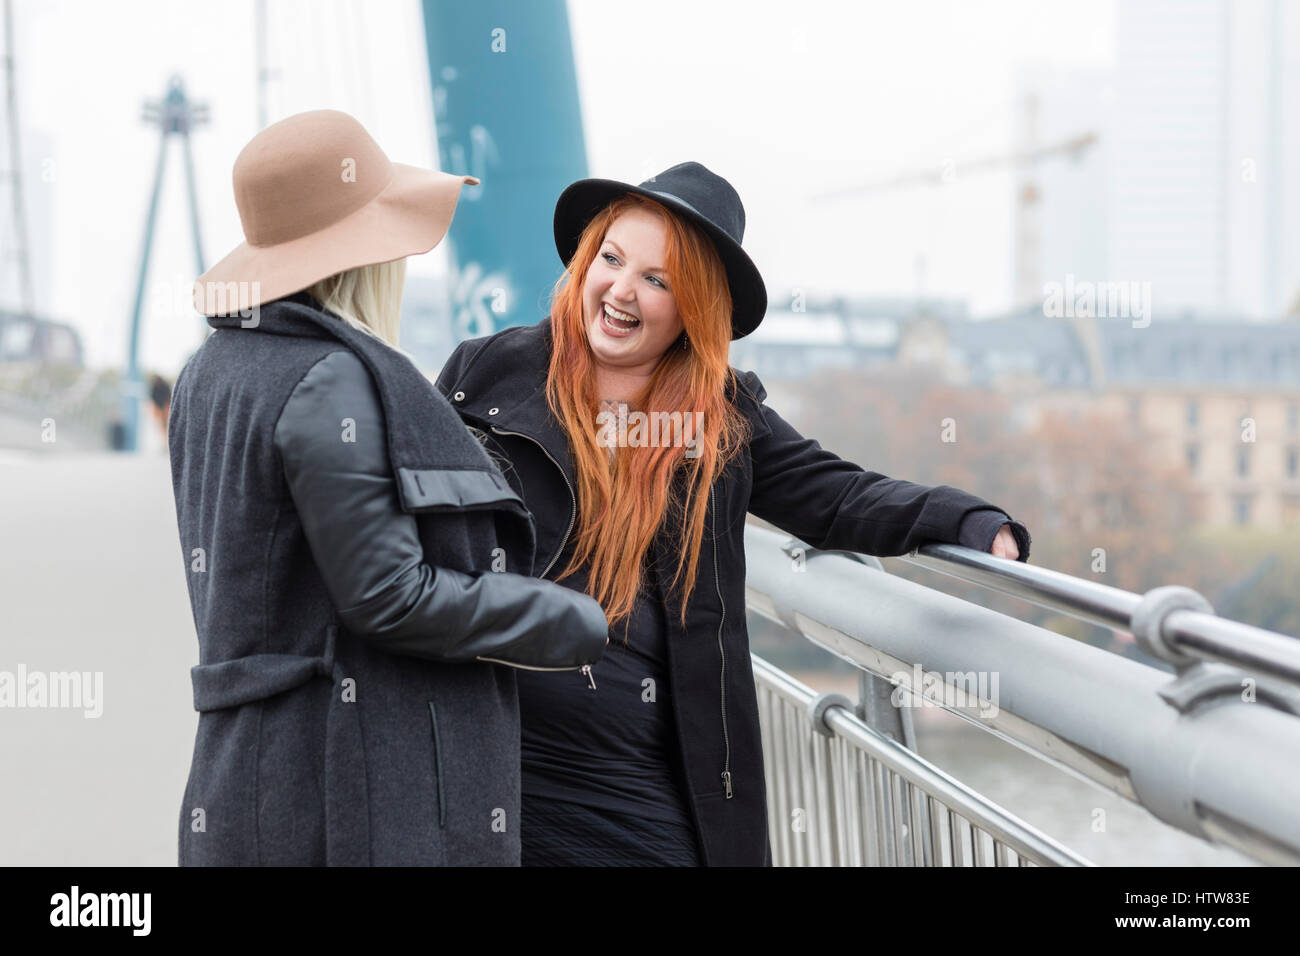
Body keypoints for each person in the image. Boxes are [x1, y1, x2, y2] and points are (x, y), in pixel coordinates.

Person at [435, 161, 1032, 867]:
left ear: (696, 307)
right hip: (488, 755)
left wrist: (969, 522)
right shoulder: (486, 375)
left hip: (645, 783)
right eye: (612, 259)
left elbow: (837, 495)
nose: (622, 291)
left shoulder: (722, 420)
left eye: (657, 280)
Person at [168, 109, 609, 866]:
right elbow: (388, 596)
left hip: (248, 771)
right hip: (346, 792)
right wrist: (568, 619)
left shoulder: (214, 369)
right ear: (364, 256)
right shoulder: (329, 378)